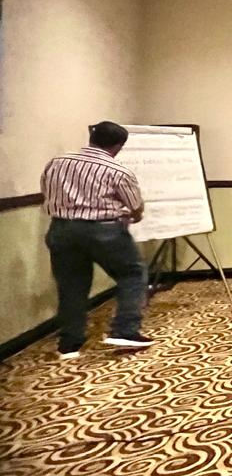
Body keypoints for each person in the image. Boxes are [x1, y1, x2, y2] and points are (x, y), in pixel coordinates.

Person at [40, 121, 153, 360]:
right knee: (132, 273)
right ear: (119, 146)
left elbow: (47, 190)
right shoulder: (118, 171)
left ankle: (69, 344)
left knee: (71, 285)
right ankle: (125, 330)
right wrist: (135, 216)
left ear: (92, 137)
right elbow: (134, 205)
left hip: (61, 228)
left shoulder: (57, 162)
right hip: (104, 230)